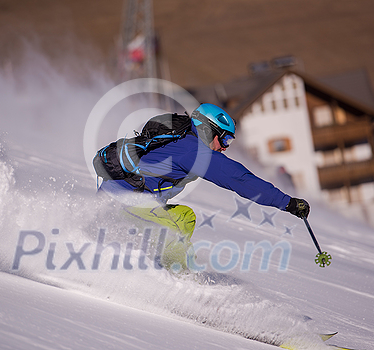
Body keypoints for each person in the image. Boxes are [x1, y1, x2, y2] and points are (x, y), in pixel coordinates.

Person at [97, 103, 310, 270]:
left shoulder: (184, 143)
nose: (225, 147)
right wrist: (287, 203)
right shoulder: (193, 151)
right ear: (209, 130)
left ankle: (161, 267)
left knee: (184, 217)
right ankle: (179, 283)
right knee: (169, 233)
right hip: (122, 202)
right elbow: (239, 179)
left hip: (132, 202)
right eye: (225, 139)